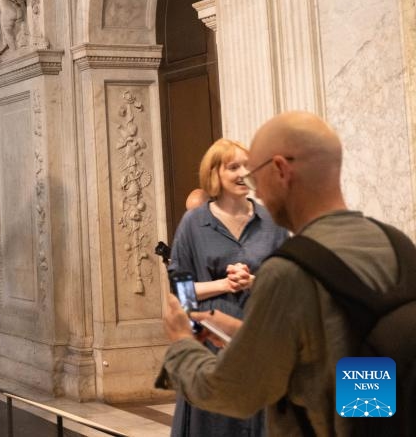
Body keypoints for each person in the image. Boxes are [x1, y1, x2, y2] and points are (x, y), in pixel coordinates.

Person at [161, 111, 403, 436]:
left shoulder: (289, 271)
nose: (255, 188)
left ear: (280, 171)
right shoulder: (397, 245)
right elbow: (352, 353)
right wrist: (237, 329)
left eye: (255, 173)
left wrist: (181, 344)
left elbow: (235, 391)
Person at [166, 138, 288, 436]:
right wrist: (223, 283)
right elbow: (180, 292)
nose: (243, 173)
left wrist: (253, 281)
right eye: (234, 167)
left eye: (248, 166)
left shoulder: (271, 220)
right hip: (211, 342)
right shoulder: (194, 223)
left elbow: (287, 284)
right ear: (215, 174)